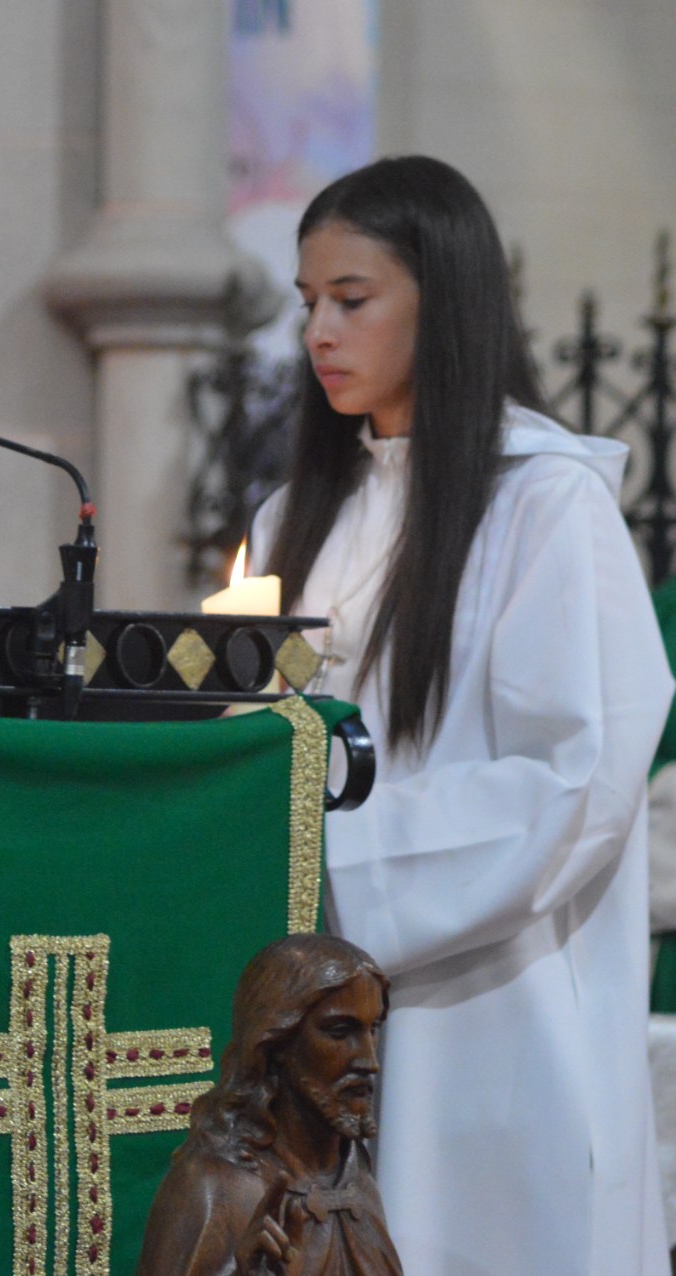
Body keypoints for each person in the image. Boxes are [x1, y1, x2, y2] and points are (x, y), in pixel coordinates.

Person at [250, 154, 672, 1273]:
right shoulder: (298, 515)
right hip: (316, 1027)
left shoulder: (546, 505)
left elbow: (576, 776)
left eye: (352, 299)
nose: (319, 335)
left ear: (444, 303)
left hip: (494, 1015)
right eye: (307, 305)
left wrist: (338, 865)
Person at [137, 934, 401, 1276]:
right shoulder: (212, 1188)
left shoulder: (356, 1179)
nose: (369, 1060)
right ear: (276, 1041)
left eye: (373, 1029)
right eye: (339, 1031)